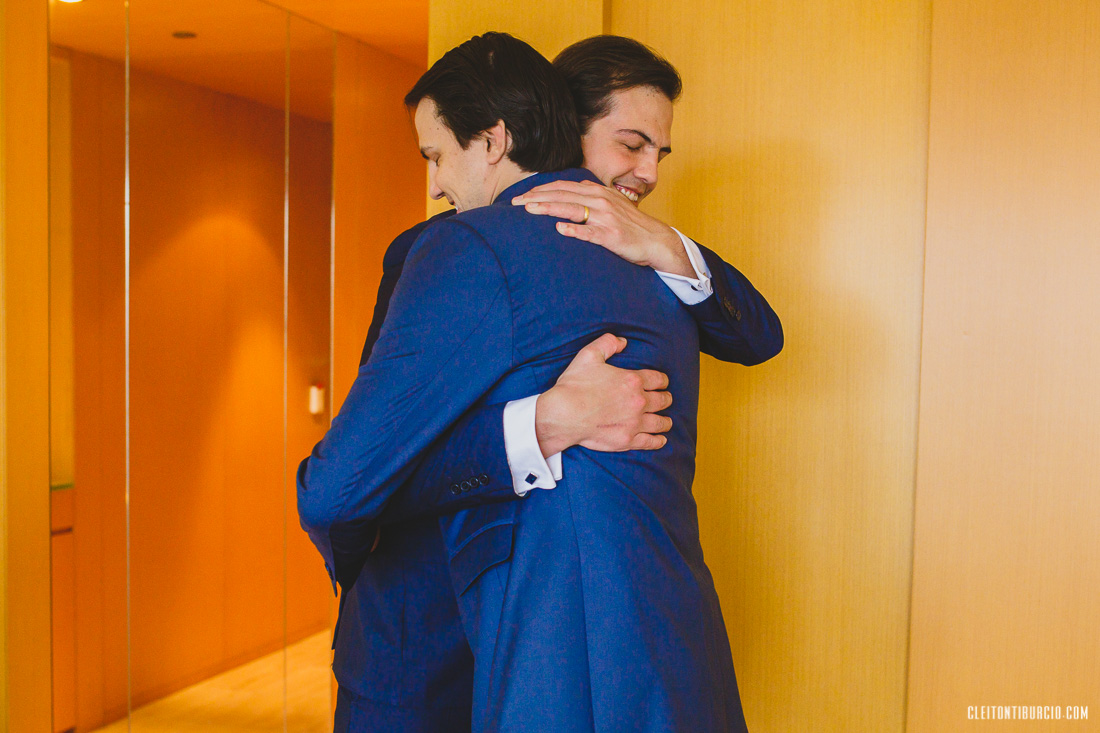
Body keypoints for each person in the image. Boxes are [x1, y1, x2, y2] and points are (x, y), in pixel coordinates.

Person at [300, 34, 781, 732]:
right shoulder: (445, 247)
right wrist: (543, 424)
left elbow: (757, 334)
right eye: (631, 144)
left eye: (657, 153)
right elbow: (380, 455)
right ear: (561, 129)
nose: (647, 173)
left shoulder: (651, 259)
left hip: (553, 644)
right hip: (426, 633)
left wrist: (665, 243)